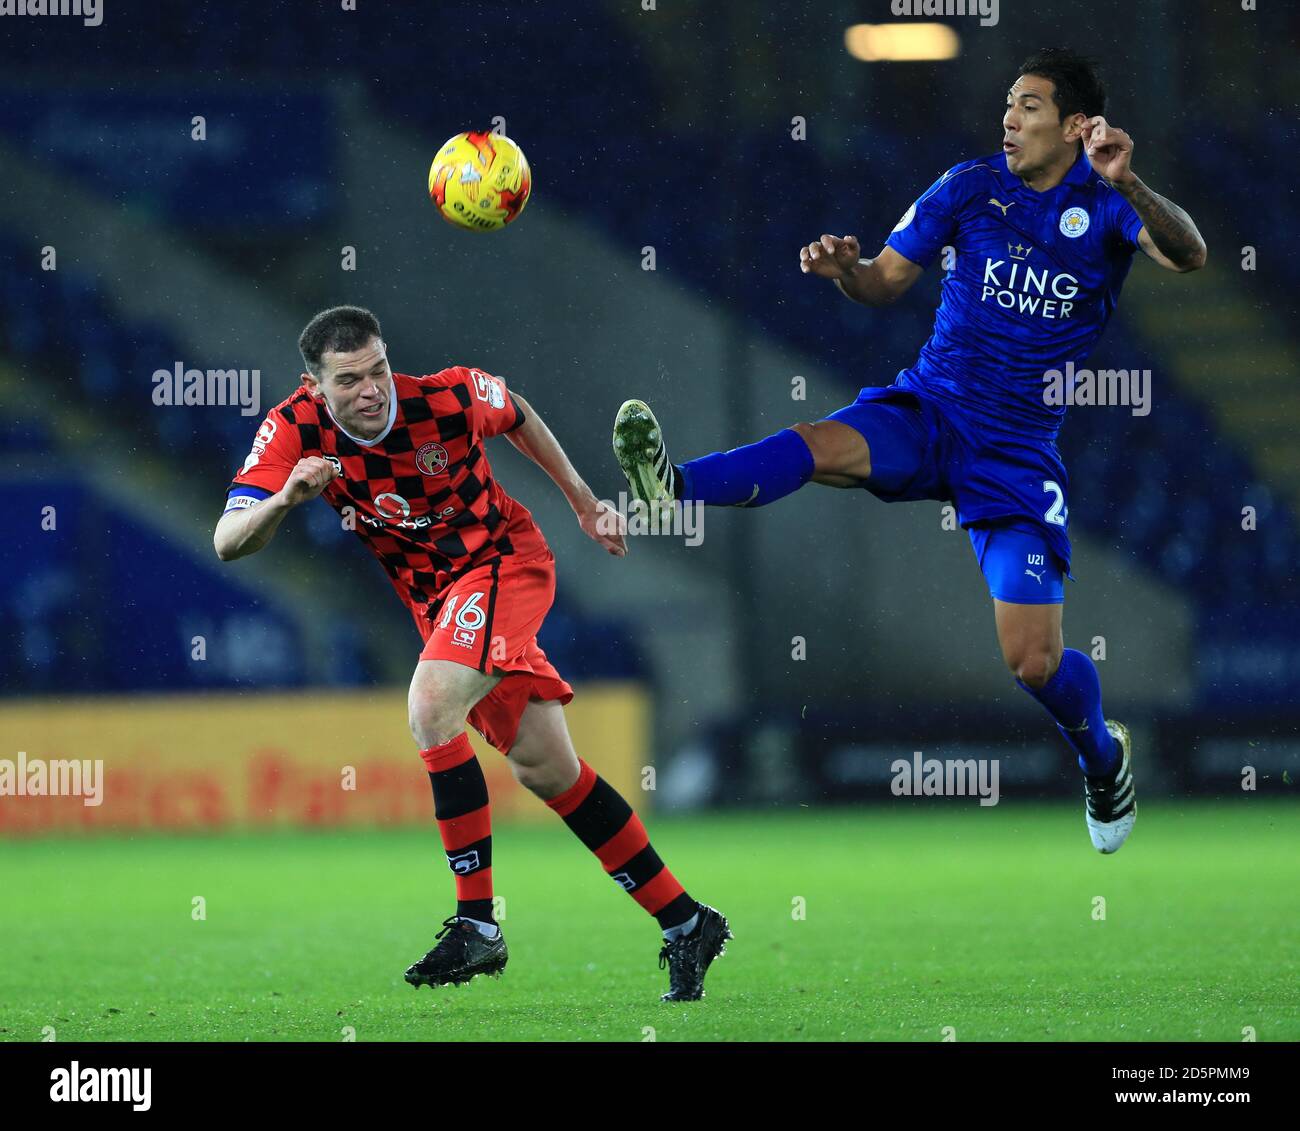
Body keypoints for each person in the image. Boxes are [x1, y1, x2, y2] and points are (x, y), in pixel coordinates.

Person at [613, 49, 1206, 854]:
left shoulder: (1105, 205)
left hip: (1014, 457)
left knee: (1032, 662)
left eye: (1029, 107)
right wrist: (844, 271)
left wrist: (1129, 180)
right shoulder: (966, 186)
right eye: (1007, 103)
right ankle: (671, 486)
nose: (1009, 118)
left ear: (1076, 126)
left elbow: (1190, 254)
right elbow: (886, 281)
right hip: (927, 409)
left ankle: (1103, 757)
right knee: (817, 443)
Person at [216, 305, 730, 1001]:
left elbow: (517, 412)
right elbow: (229, 540)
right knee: (549, 770)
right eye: (349, 381)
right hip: (437, 601)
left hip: (502, 563)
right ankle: (687, 921)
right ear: (314, 385)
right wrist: (285, 498)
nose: (371, 390)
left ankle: (477, 924)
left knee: (430, 707)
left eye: (377, 370)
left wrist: (581, 501)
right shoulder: (291, 431)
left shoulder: (446, 397)